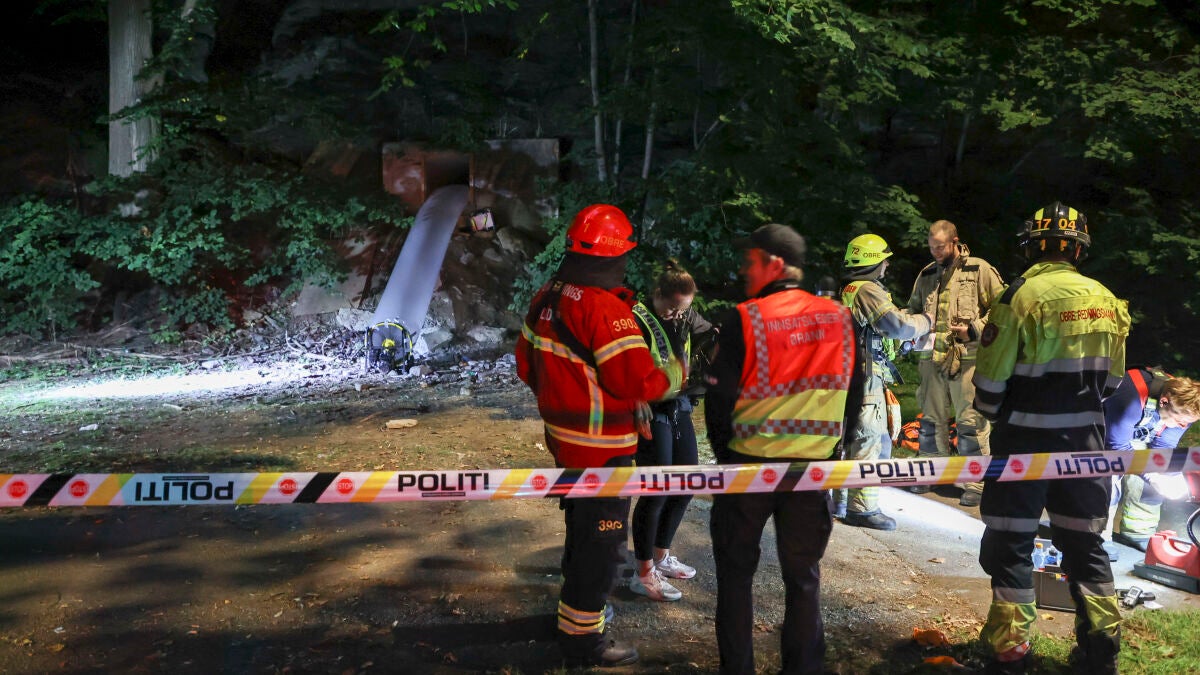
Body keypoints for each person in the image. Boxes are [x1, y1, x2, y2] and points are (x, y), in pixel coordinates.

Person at [515, 203, 685, 668]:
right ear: (614, 255)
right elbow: (637, 381)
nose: (626, 265)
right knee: (602, 548)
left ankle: (574, 617)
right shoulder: (605, 309)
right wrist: (677, 373)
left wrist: (568, 398)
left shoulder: (548, 296)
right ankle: (584, 641)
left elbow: (526, 365)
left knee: (581, 535)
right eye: (624, 255)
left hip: (565, 443)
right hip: (603, 452)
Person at [972, 201, 1130, 675]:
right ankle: (1101, 650)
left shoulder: (1018, 297)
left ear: (1032, 246)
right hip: (1086, 446)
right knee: (1085, 546)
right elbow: (1112, 383)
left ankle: (1011, 653)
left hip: (1023, 445)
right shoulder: (1107, 299)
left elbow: (990, 383)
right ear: (1079, 250)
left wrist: (992, 414)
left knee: (1011, 545)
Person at [704, 223, 860, 675]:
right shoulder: (840, 317)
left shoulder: (746, 318)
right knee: (804, 577)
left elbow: (719, 401)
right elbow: (854, 393)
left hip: (748, 470)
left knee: (735, 578)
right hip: (812, 472)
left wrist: (726, 463)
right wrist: (835, 453)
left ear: (774, 263)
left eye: (749, 261)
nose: (743, 270)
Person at [628, 260, 716, 602]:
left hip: (679, 406)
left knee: (686, 484)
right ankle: (643, 572)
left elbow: (707, 335)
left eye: (684, 310)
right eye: (672, 309)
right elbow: (625, 368)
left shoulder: (685, 313)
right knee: (656, 491)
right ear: (657, 295)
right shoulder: (636, 318)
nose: (678, 316)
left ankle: (661, 555)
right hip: (651, 411)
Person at [906, 220, 1006, 507]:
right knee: (930, 421)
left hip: (969, 360)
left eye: (940, 247)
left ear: (954, 241)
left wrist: (974, 329)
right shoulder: (926, 274)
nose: (935, 252)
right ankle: (930, 473)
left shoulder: (979, 270)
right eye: (931, 247)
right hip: (931, 360)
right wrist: (907, 327)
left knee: (970, 423)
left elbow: (1003, 309)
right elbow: (913, 309)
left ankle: (975, 482)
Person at [840, 233, 933, 530]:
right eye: (885, 260)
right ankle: (862, 509)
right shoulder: (868, 290)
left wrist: (903, 344)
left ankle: (841, 502)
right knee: (870, 440)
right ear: (873, 261)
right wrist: (926, 321)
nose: (887, 265)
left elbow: (878, 334)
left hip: (853, 373)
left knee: (853, 440)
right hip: (865, 375)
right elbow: (897, 326)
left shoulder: (851, 289)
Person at [1104, 367, 1200, 551]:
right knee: (1109, 475)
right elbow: (1118, 449)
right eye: (1180, 421)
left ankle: (1139, 531)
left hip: (1135, 434)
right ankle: (1099, 535)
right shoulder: (1129, 398)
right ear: (1164, 402)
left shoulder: (1185, 407)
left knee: (1160, 473)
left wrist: (1169, 476)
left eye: (1188, 423)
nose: (1183, 426)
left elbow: (1164, 446)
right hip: (1107, 435)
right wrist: (1152, 476)